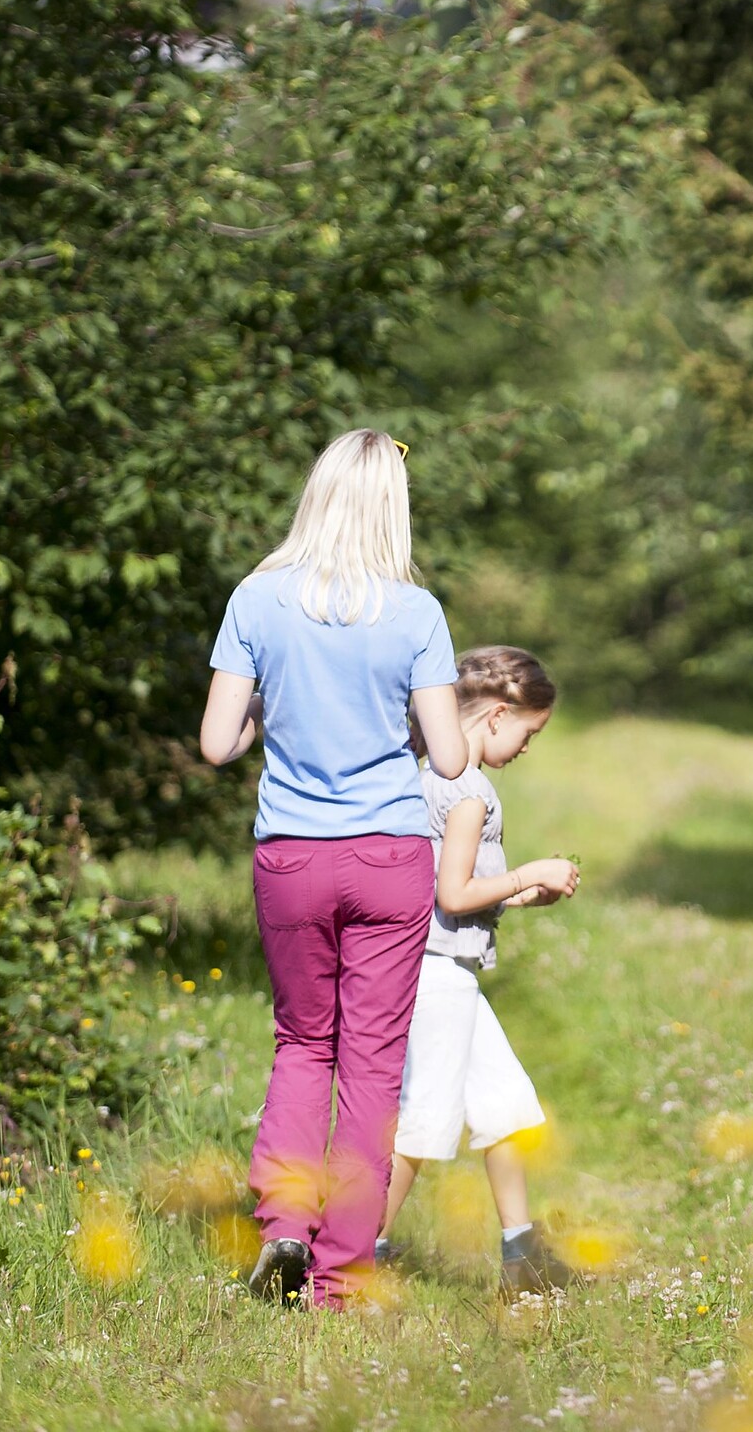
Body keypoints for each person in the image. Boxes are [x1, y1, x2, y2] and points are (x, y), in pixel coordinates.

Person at [200, 428, 470, 1309]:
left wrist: (263, 724)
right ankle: (341, 1278)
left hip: (291, 855)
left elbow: (216, 742)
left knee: (301, 1042)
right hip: (390, 856)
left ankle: (282, 1217)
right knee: (371, 1064)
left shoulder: (257, 597)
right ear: (394, 504)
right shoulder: (416, 613)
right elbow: (454, 758)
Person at [375, 645, 583, 1297]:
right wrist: (531, 872)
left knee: (506, 1104)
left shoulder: (429, 772)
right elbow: (454, 896)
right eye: (529, 732)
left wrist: (520, 895)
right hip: (437, 975)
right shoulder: (467, 788)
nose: (527, 747)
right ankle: (357, 1256)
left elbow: (451, 886)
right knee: (424, 1121)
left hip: (441, 965)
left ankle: (523, 1254)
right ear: (497, 715)